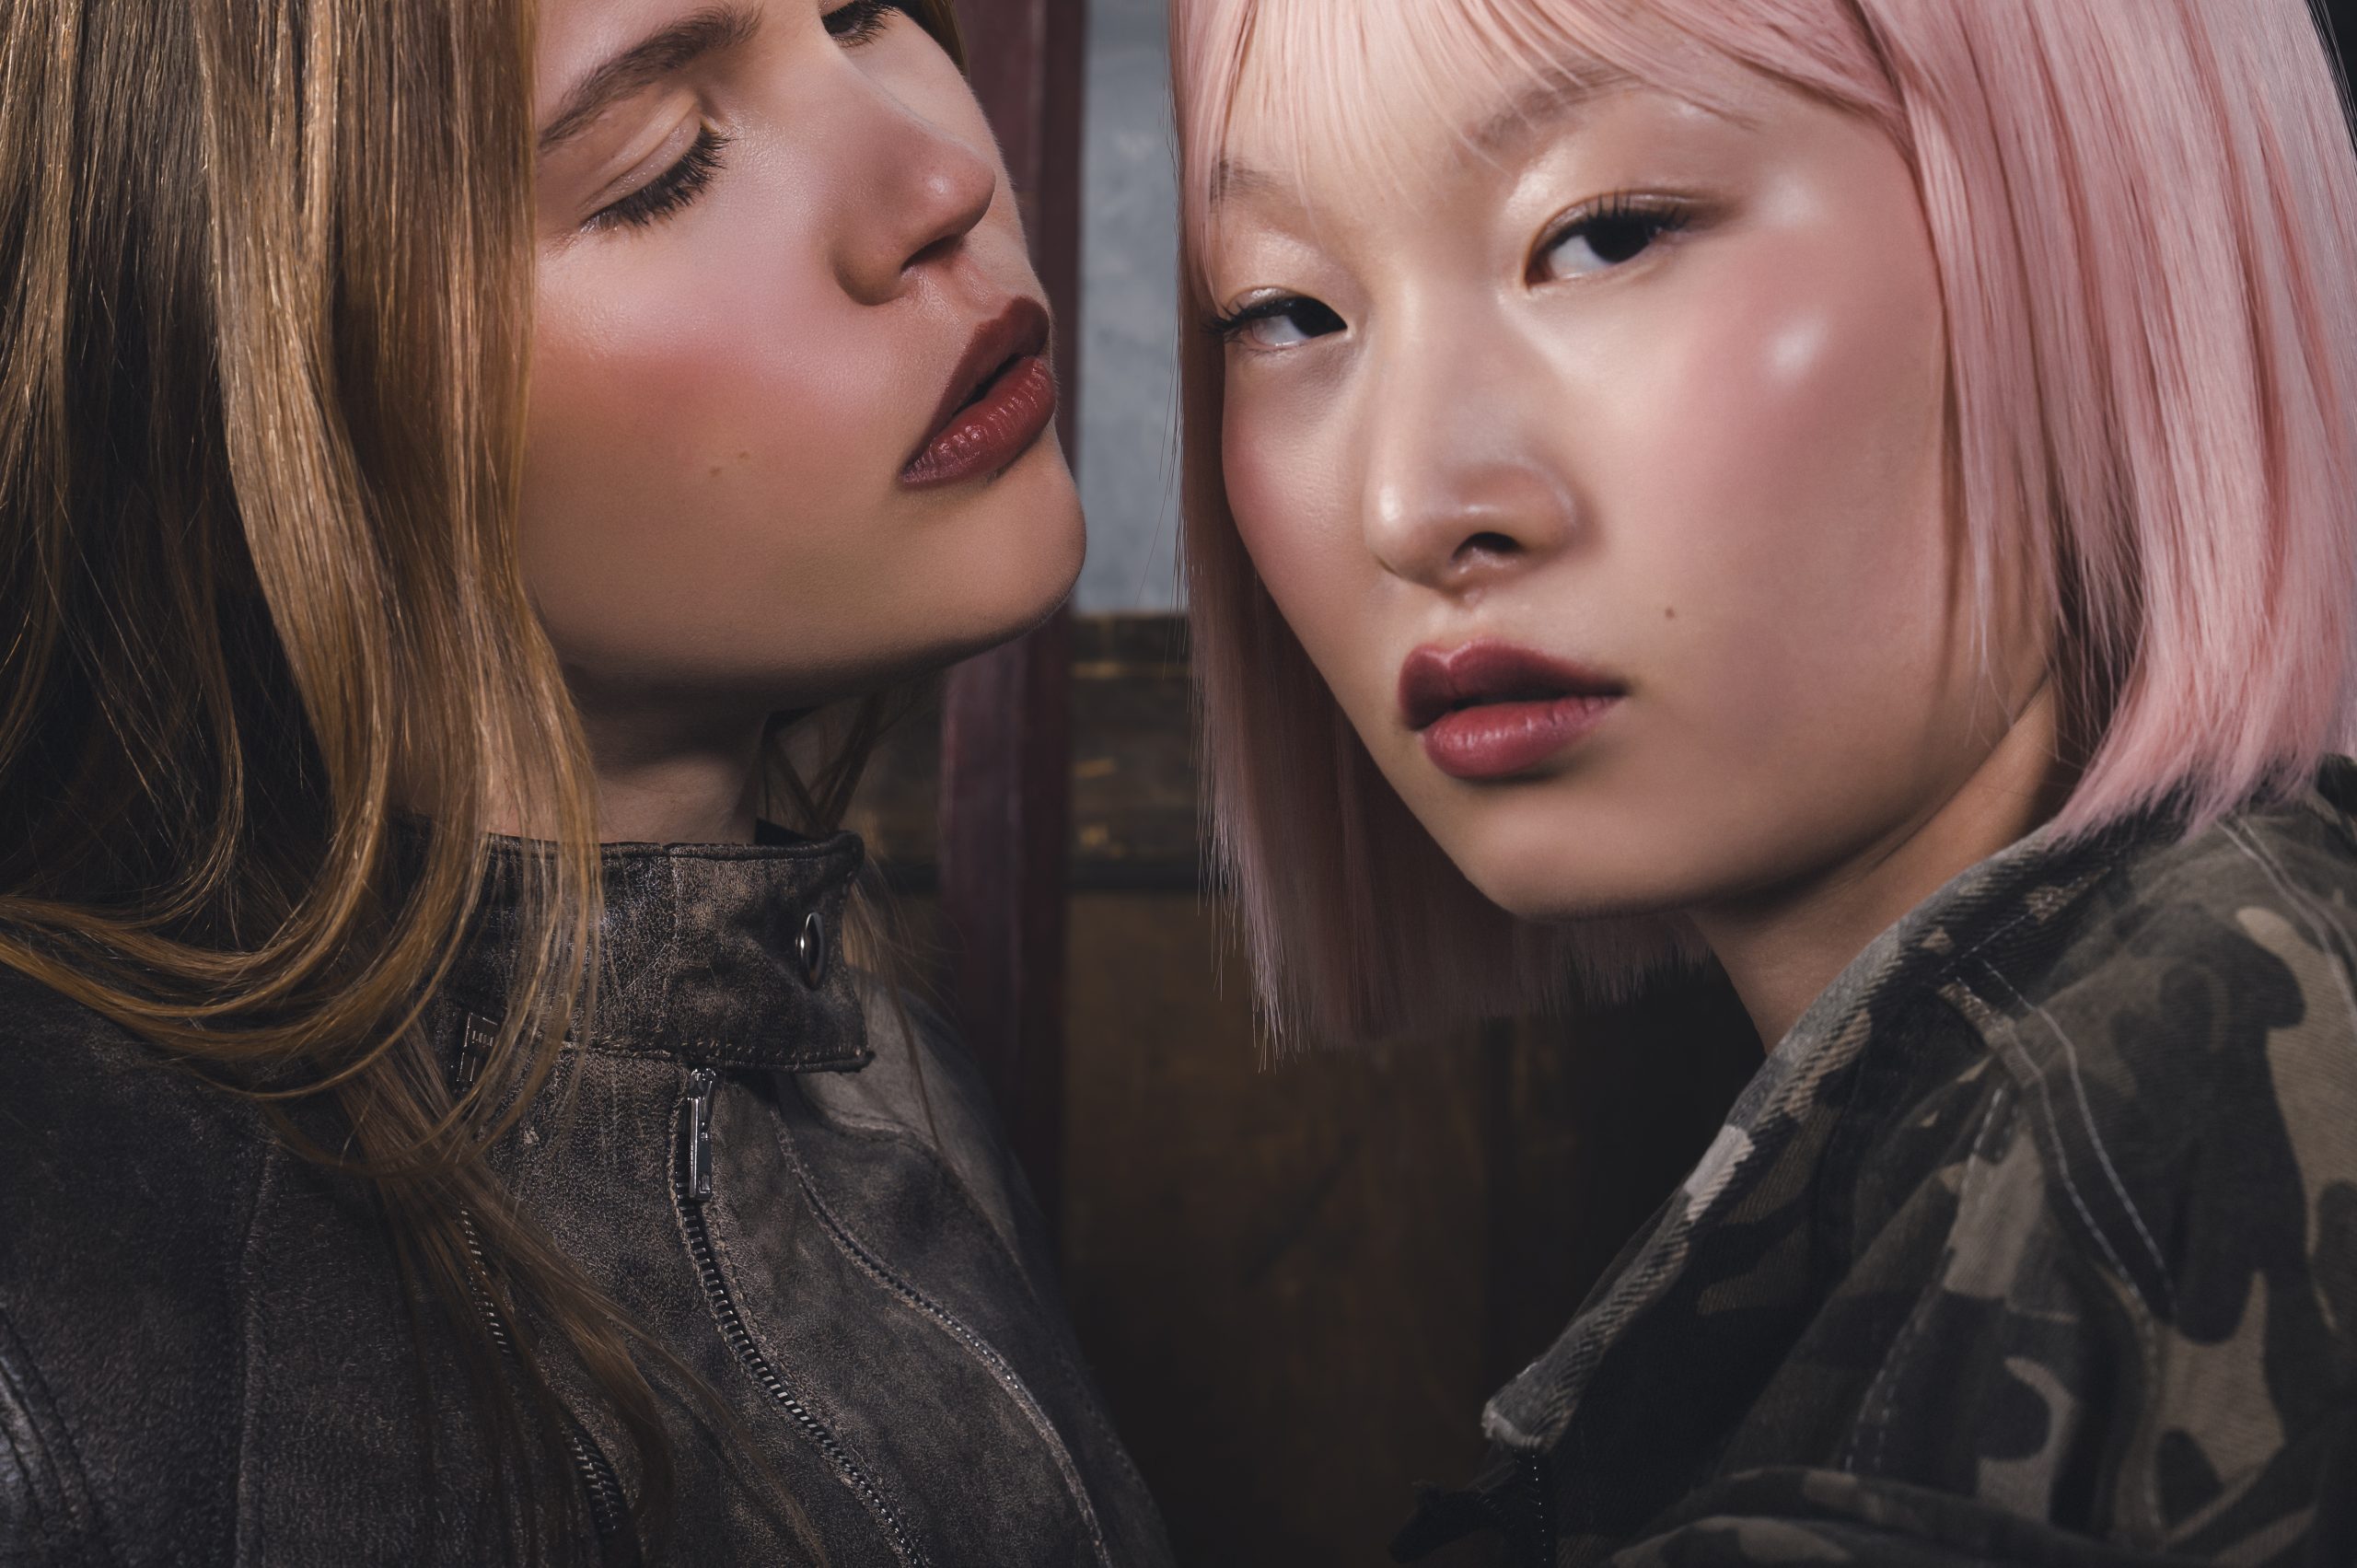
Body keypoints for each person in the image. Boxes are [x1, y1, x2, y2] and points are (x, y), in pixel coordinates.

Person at [1169, 0, 2357, 1561]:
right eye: (1286, 311)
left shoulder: (2213, 1096)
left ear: (2106, 221)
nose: (1410, 502)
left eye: (1603, 237)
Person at [0, 0, 1171, 1563]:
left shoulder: (891, 1075)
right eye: (662, 165)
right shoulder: (59, 1328)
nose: (943, 177)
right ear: (257, 403)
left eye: (860, 9)